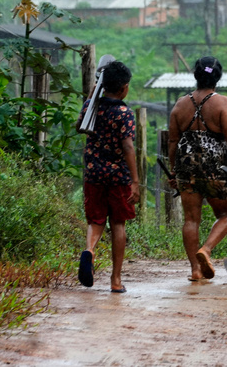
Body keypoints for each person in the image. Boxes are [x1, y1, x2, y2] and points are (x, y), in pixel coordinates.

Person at [167, 56, 227, 282]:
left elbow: (173, 142)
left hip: (186, 164)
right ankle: (207, 249)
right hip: (215, 166)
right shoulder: (222, 103)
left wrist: (174, 171)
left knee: (191, 219)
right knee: (226, 214)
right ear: (217, 77)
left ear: (196, 76)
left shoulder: (180, 104)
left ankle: (195, 269)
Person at [77, 60, 140, 293]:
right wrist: (135, 181)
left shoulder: (91, 107)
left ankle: (90, 251)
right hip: (118, 177)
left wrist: (92, 96)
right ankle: (115, 280)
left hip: (93, 173)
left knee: (95, 221)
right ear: (124, 87)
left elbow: (78, 126)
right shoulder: (124, 113)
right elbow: (128, 147)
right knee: (118, 224)